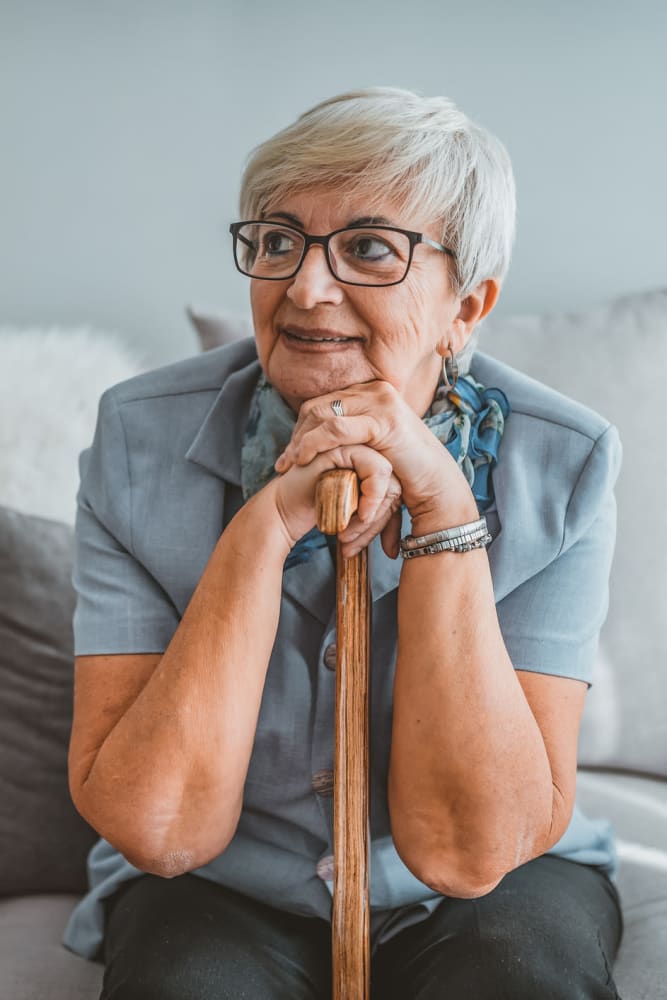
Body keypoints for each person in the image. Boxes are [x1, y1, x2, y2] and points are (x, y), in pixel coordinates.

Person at [65, 87, 623, 999]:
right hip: (224, 880)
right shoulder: (138, 439)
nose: (304, 288)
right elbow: (159, 829)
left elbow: (469, 850)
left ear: (466, 305)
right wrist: (270, 521)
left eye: (368, 248)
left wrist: (443, 507)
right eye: (277, 240)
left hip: (494, 887)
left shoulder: (565, 461)